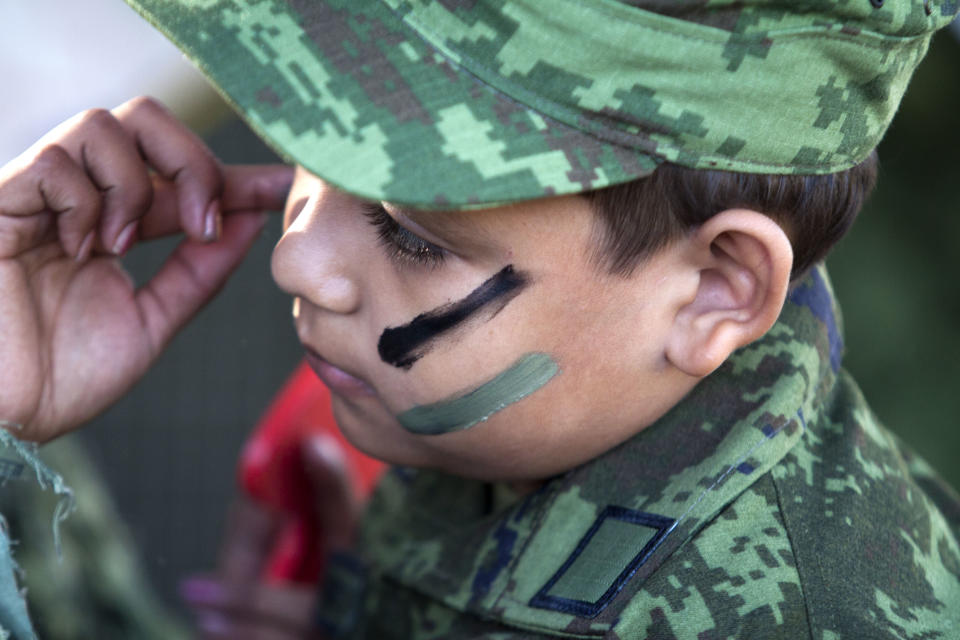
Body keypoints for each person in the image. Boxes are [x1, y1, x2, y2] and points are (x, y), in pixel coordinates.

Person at [2, 0, 959, 638]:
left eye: (411, 233)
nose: (296, 256)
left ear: (718, 288)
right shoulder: (518, 431)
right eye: (309, 149)